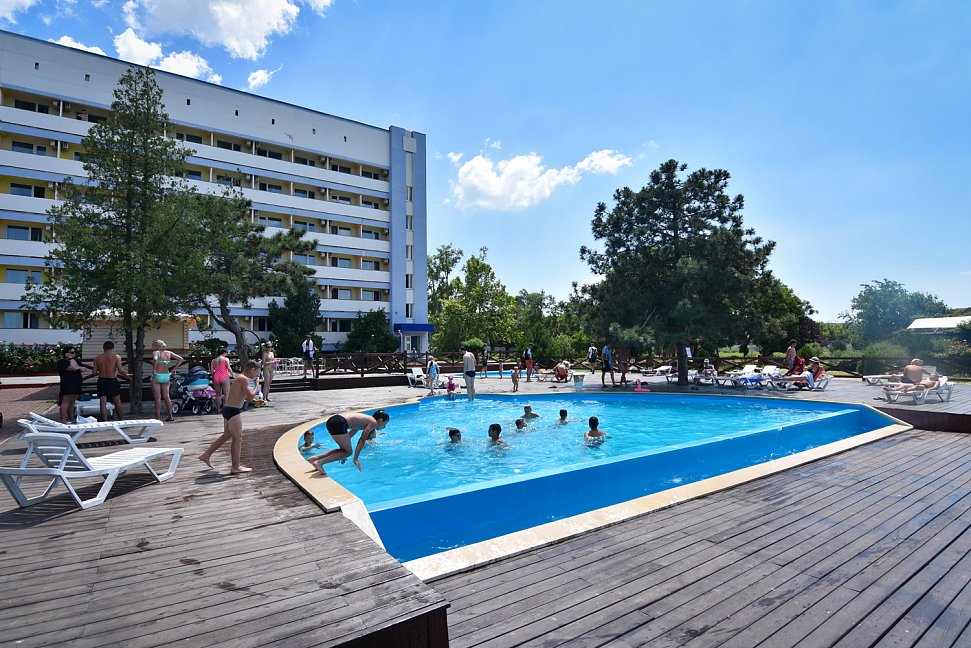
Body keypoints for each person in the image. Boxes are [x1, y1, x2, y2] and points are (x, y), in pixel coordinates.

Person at [198, 360, 263, 474]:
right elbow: (249, 396)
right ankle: (235, 467)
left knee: (227, 435)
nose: (257, 376)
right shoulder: (243, 379)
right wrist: (257, 384)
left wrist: (256, 401)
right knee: (238, 438)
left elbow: (243, 396)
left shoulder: (239, 378)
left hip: (227, 408)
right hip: (233, 410)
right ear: (252, 370)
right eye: (257, 373)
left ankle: (206, 455)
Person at [306, 409, 390, 475]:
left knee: (344, 451)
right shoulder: (373, 422)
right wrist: (355, 459)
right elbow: (362, 440)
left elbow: (349, 436)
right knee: (348, 452)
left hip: (332, 421)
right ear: (381, 420)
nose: (385, 427)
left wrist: (341, 455)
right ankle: (319, 462)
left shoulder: (364, 420)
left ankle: (315, 458)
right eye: (385, 423)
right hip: (340, 423)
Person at [92, 341, 130, 421]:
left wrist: (101, 371)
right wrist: (127, 377)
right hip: (112, 380)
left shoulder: (97, 358)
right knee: (117, 401)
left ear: (103, 348)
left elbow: (94, 372)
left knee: (103, 402)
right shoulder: (116, 357)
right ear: (113, 348)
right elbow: (121, 370)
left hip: (102, 380)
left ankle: (105, 420)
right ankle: (121, 419)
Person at [150, 339, 183, 421]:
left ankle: (157, 417)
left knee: (157, 398)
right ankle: (170, 416)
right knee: (167, 397)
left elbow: (155, 359)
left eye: (153, 345)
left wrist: (154, 369)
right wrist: (174, 369)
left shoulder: (156, 352)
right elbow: (181, 359)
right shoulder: (169, 353)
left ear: (156, 346)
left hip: (157, 376)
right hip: (166, 376)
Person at [57, 345, 83, 423]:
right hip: (68, 384)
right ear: (66, 354)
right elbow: (72, 368)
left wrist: (77, 367)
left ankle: (71, 417)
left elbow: (83, 368)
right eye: (72, 352)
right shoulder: (62, 362)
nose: (74, 353)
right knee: (66, 400)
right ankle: (63, 419)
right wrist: (71, 359)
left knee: (72, 401)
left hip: (76, 383)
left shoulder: (76, 360)